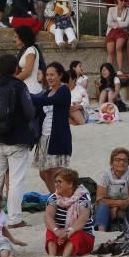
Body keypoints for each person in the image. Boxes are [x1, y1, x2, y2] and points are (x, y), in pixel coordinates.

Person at [31, 63, 73, 193]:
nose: (49, 77)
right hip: (44, 136)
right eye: (47, 75)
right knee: (43, 172)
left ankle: (60, 198)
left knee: (56, 172)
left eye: (52, 74)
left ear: (60, 75)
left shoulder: (64, 90)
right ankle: (55, 196)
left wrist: (27, 95)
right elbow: (37, 110)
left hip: (58, 136)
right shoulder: (47, 92)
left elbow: (49, 101)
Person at [44, 167, 95, 257]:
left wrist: (68, 232)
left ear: (70, 184)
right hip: (61, 236)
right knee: (50, 230)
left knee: (77, 234)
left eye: (59, 182)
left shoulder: (83, 198)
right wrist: (57, 231)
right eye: (55, 182)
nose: (56, 184)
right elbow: (48, 216)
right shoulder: (54, 197)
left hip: (81, 238)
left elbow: (83, 219)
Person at [105, 0, 129, 72]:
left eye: (125, 0)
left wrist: (117, 25)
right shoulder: (111, 9)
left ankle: (120, 70)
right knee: (110, 52)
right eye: (121, 0)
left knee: (118, 48)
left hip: (122, 32)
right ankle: (108, 71)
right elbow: (108, 22)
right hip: (111, 32)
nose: (123, 2)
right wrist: (118, 25)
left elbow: (127, 23)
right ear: (117, 0)